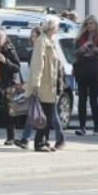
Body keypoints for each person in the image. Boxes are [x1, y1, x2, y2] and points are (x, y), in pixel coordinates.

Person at [26, 17, 67, 152]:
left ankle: (44, 141)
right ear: (53, 27)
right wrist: (36, 82)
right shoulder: (41, 41)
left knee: (48, 115)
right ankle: (39, 143)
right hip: (43, 84)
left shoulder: (49, 41)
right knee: (44, 115)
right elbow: (38, 62)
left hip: (50, 85)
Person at [73, 15, 98, 136]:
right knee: (82, 99)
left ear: (96, 25)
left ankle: (96, 126)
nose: (89, 26)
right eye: (87, 24)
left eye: (91, 23)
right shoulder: (80, 37)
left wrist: (97, 51)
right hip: (83, 69)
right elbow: (74, 53)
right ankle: (82, 126)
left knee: (93, 99)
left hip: (96, 70)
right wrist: (81, 49)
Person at [14, 27, 42, 149]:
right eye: (32, 36)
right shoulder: (31, 53)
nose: (33, 38)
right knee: (32, 112)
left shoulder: (46, 50)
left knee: (52, 115)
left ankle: (59, 137)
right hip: (34, 86)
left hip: (44, 86)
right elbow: (32, 71)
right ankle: (25, 139)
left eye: (36, 36)